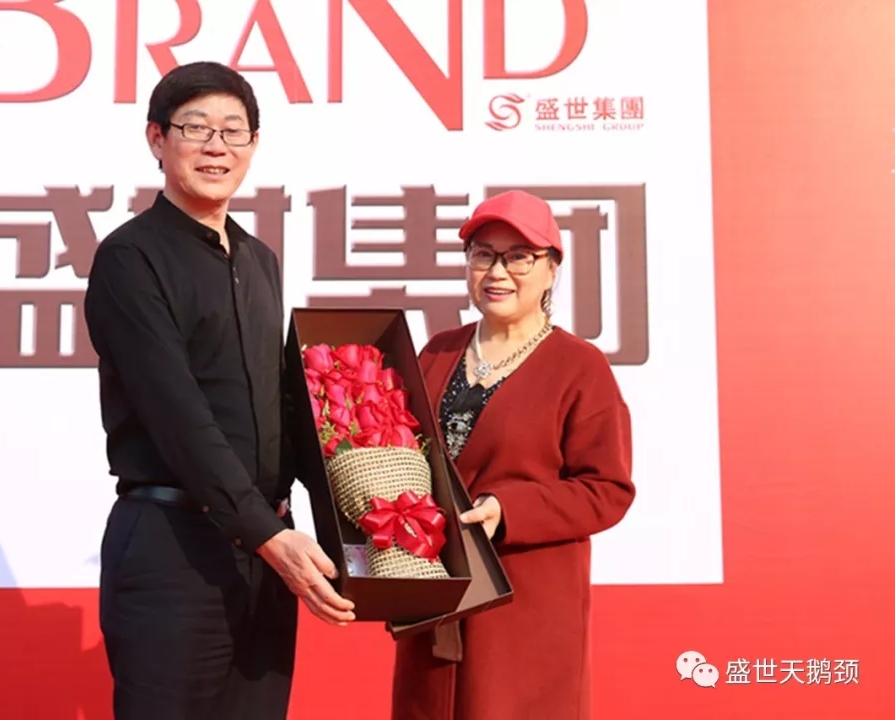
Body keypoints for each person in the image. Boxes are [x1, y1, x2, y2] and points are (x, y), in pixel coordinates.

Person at [83, 61, 356, 720]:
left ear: (254, 145)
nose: (216, 147)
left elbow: (282, 409)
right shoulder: (130, 259)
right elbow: (178, 416)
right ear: (157, 138)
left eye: (234, 131)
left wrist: (364, 511)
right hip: (174, 551)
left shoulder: (259, 260)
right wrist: (268, 534)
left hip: (266, 555)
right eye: (196, 128)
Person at [390, 190, 636, 720]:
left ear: (551, 270)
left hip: (525, 607)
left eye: (519, 256)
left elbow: (607, 490)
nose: (498, 271)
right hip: (435, 600)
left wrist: (508, 510)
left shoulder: (579, 366)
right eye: (483, 254)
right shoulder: (438, 350)